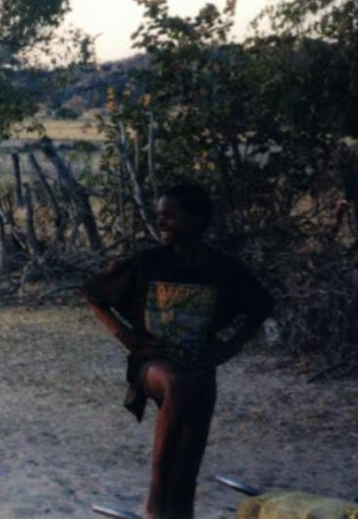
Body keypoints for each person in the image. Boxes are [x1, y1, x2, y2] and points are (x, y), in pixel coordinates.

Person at [83, 183, 274, 519]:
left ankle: (180, 511)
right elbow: (94, 293)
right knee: (177, 382)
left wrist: (230, 345)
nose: (162, 223)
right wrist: (125, 336)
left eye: (170, 216)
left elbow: (260, 307)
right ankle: (155, 507)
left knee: (190, 446)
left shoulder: (222, 268)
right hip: (152, 364)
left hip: (200, 366)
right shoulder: (149, 262)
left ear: (198, 220)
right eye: (159, 216)